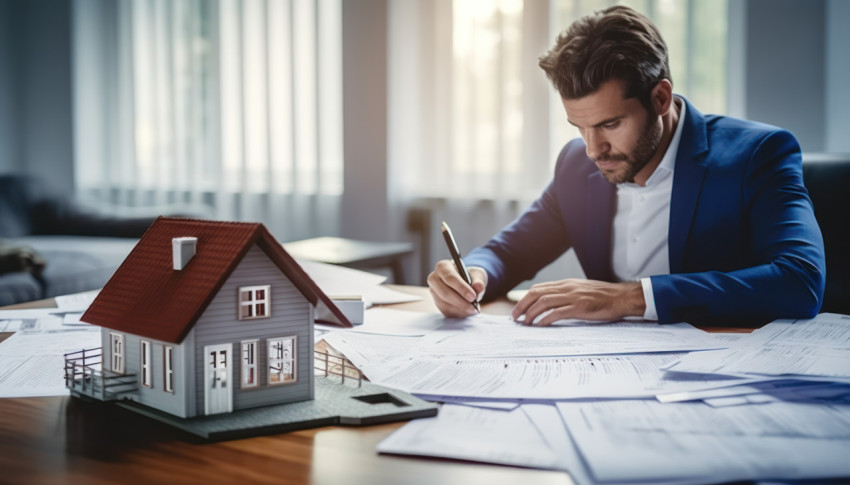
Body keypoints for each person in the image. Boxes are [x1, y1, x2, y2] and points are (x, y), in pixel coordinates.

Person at [427, 5, 825, 327]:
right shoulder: (575, 165)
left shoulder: (757, 154)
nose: (592, 149)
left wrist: (630, 297)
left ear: (660, 98)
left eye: (609, 124)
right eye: (579, 127)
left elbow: (800, 280)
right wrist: (470, 274)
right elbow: (509, 253)